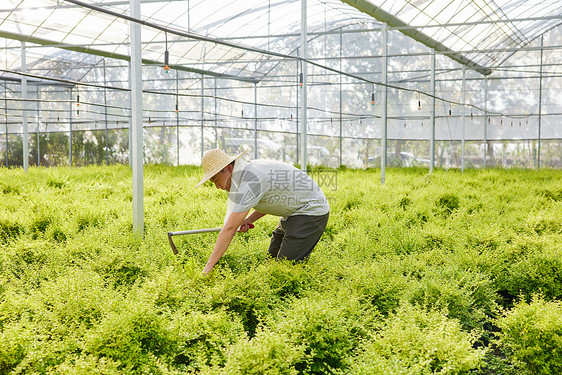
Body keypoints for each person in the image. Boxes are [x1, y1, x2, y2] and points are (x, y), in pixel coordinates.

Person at [196, 149, 330, 275]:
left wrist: (208, 267)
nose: (217, 186)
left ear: (229, 169)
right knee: (270, 262)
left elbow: (229, 229)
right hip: (294, 211)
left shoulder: (249, 180)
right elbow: (272, 198)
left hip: (310, 211)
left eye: (215, 179)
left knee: (284, 270)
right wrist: (248, 220)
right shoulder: (246, 171)